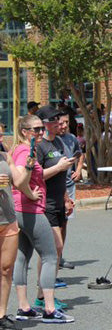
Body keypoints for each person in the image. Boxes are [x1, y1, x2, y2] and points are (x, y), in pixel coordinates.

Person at [11, 115, 74, 324]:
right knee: (50, 255)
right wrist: (30, 194)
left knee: (22, 257)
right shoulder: (23, 151)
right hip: (30, 210)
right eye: (36, 129)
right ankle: (48, 308)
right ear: (24, 132)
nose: (40, 133)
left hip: (20, 211)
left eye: (40, 129)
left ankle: (23, 307)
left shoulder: (23, 150)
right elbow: (19, 180)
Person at [35, 106, 76, 295]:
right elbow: (36, 176)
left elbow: (62, 175)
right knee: (54, 248)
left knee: (52, 251)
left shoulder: (59, 142)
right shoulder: (38, 146)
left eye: (58, 120)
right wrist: (59, 167)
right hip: (45, 204)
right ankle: (43, 294)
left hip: (59, 201)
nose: (58, 123)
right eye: (53, 121)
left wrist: (67, 198)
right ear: (43, 124)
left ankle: (44, 294)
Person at [0, 132, 25, 329]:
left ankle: (1, 314)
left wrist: (30, 165)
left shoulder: (5, 156)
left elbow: (19, 181)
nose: (1, 138)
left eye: (1, 134)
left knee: (6, 269)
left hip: (8, 220)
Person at [57, 113, 84, 269]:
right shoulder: (52, 140)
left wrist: (78, 170)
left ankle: (59, 257)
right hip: (54, 187)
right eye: (62, 123)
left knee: (64, 223)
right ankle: (51, 258)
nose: (65, 125)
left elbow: (80, 154)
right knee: (53, 224)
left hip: (68, 185)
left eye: (67, 122)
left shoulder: (71, 138)